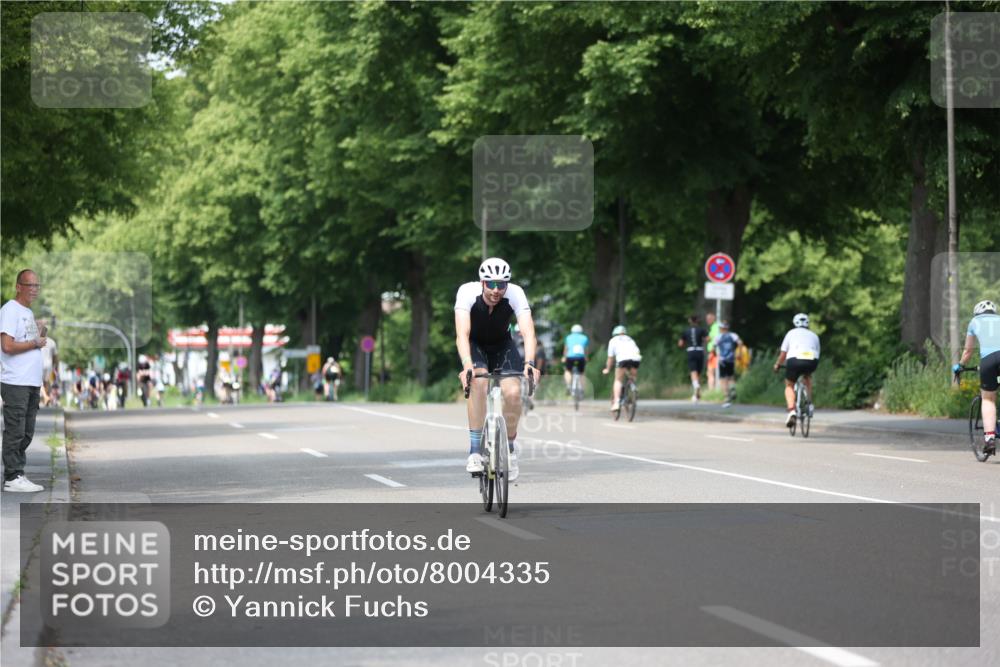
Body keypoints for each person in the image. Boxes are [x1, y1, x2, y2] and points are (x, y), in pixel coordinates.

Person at [456, 258, 540, 482]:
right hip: (475, 346)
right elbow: (462, 334)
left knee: (513, 393)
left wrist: (530, 363)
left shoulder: (515, 293)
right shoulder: (466, 292)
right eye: (491, 284)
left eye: (501, 284)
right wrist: (466, 366)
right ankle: (475, 450)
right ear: (482, 282)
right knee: (479, 383)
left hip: (503, 346)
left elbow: (528, 332)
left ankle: (510, 449)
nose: (496, 290)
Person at [0, 269, 46, 492]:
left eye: (37, 286)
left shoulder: (26, 312)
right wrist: (35, 344)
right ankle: (12, 476)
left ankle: (18, 473)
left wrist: (38, 333)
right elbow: (7, 346)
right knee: (15, 431)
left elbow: (28, 341)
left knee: (26, 431)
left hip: (30, 381)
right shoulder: (10, 310)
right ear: (18, 286)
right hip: (15, 382)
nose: (34, 290)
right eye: (30, 285)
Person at [957, 300, 1000, 452]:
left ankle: (989, 440)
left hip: (988, 360)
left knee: (988, 399)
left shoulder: (974, 322)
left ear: (977, 313)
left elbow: (968, 351)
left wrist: (960, 365)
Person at [773, 313, 821, 427]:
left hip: (794, 360)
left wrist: (777, 365)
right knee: (808, 377)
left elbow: (783, 354)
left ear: (795, 323)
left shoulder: (790, 333)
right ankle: (809, 404)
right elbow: (818, 353)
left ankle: (792, 411)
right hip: (812, 360)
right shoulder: (814, 335)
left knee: (789, 385)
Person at [602, 325, 641, 411]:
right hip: (636, 359)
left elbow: (610, 358)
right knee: (632, 375)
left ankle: (616, 402)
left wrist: (607, 369)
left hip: (623, 359)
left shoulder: (613, 340)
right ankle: (633, 387)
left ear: (614, 334)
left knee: (618, 380)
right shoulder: (630, 339)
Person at [677, 315, 708, 402]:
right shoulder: (702, 330)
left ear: (690, 321)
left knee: (693, 372)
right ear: (697, 321)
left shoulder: (686, 331)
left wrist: (685, 343)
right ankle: (697, 393)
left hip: (691, 351)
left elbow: (680, 343)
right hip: (699, 351)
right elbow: (707, 339)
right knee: (698, 372)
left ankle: (696, 387)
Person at [712, 321, 742, 408]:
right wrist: (739, 353)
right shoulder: (733, 335)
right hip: (731, 359)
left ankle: (726, 397)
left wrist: (714, 353)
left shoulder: (718, 337)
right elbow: (740, 343)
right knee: (731, 376)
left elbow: (714, 347)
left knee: (723, 379)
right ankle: (732, 388)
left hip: (722, 360)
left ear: (721, 328)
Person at [562, 324, 589, 396]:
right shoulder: (585, 338)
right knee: (582, 373)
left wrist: (564, 357)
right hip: (581, 358)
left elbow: (566, 349)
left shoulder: (568, 337)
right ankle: (582, 389)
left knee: (567, 371)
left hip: (570, 357)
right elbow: (586, 350)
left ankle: (568, 386)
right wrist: (586, 357)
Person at [705, 312, 720, 391]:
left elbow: (715, 340)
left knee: (711, 372)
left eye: (709, 319)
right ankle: (712, 389)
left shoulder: (715, 327)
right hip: (713, 352)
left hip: (713, 352)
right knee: (711, 372)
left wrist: (712, 352)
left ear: (713, 319)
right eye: (707, 319)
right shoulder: (713, 327)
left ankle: (712, 390)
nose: (707, 320)